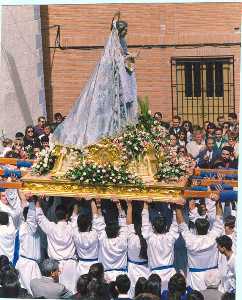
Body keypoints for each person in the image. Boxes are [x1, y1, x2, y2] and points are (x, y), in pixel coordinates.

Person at [53, 12, 138, 148]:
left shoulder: (121, 45)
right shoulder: (110, 49)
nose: (127, 33)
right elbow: (112, 63)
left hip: (120, 86)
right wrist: (125, 60)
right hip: (109, 87)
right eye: (125, 30)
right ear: (120, 31)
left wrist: (128, 57)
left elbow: (121, 57)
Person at [175, 193, 223, 291]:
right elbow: (219, 219)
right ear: (208, 227)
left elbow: (182, 225)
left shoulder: (190, 240)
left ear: (195, 229)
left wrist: (177, 207)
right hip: (213, 277)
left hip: (195, 279)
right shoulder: (213, 237)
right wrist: (218, 201)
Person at [35, 198, 77, 293]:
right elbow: (75, 216)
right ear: (66, 216)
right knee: (72, 293)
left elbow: (39, 216)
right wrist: (76, 202)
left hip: (55, 267)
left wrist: (38, 200)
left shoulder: (51, 227)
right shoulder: (71, 227)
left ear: (56, 215)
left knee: (57, 293)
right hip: (70, 266)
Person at [141, 200, 179, 289]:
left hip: (154, 279)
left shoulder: (150, 238)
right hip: (171, 276)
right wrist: (174, 210)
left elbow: (145, 223)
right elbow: (175, 224)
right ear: (166, 227)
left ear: (153, 227)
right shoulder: (170, 237)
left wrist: (145, 204)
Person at [92, 198, 128, 282]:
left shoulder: (103, 239)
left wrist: (98, 205)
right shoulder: (122, 240)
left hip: (106, 277)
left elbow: (99, 221)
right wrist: (118, 204)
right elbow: (123, 223)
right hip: (121, 278)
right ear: (118, 232)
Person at [15, 195, 42, 294]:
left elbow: (27, 216)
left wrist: (37, 202)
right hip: (28, 266)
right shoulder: (29, 228)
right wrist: (31, 202)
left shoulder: (23, 225)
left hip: (27, 263)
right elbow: (31, 218)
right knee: (31, 294)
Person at [126, 200, 149, 298]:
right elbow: (145, 224)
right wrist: (145, 204)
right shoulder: (148, 239)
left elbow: (129, 224)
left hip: (132, 271)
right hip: (146, 271)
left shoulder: (132, 238)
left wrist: (129, 205)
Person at [72, 199, 99, 278]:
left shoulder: (76, 234)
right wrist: (92, 202)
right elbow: (96, 218)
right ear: (89, 225)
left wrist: (76, 201)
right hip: (95, 267)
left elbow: (74, 219)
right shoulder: (94, 234)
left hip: (81, 266)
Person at [0, 189, 22, 262]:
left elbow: (17, 212)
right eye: (3, 196)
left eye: (7, 196)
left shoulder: (13, 207)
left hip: (13, 240)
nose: (6, 198)